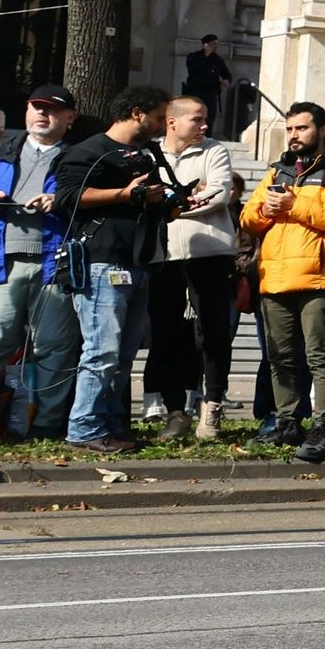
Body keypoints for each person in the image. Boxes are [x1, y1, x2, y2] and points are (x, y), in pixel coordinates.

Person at [241, 102, 325, 463]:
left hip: (319, 278)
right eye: (291, 129)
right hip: (275, 277)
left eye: (302, 129)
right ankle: (286, 422)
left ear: (323, 130)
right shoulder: (278, 170)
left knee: (321, 356)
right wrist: (267, 209)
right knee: (280, 357)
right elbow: (249, 217)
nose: (294, 136)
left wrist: (294, 205)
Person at [0, 88, 87, 441]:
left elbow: (88, 200)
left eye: (52, 110)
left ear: (69, 118)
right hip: (3, 262)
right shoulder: (3, 148)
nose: (42, 115)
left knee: (53, 347)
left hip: (54, 265)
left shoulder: (77, 157)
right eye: (36, 107)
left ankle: (46, 424)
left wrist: (57, 200)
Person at [53, 84, 173, 450]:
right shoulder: (89, 152)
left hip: (137, 262)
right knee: (101, 351)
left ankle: (109, 424)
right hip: (100, 263)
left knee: (121, 355)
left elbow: (145, 202)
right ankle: (84, 428)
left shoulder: (145, 155)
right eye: (157, 118)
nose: (161, 127)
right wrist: (125, 193)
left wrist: (171, 201)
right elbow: (67, 198)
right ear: (137, 112)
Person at [141, 96, 241, 438]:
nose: (204, 126)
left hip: (209, 253)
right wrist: (188, 198)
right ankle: (174, 412)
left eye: (205, 119)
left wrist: (172, 205)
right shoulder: (148, 154)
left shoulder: (215, 151)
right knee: (165, 333)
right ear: (172, 122)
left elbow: (218, 192)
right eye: (197, 119)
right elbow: (147, 196)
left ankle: (212, 406)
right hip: (163, 255)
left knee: (213, 333)